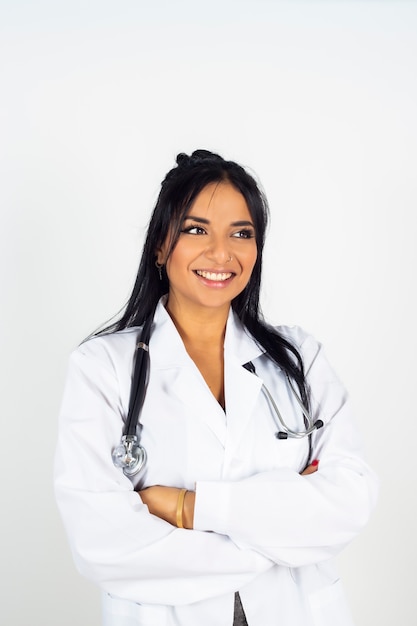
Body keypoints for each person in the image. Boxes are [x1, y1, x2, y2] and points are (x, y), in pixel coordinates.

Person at [54, 149, 378, 626]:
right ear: (161, 247)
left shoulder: (298, 359)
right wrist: (280, 539)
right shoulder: (103, 368)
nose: (221, 252)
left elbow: (350, 501)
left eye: (241, 233)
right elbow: (102, 542)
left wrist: (190, 508)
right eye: (196, 229)